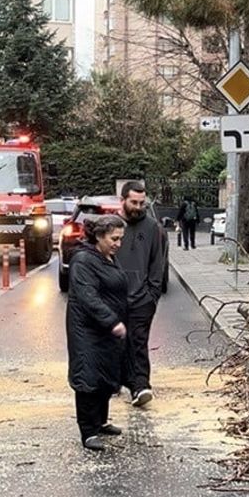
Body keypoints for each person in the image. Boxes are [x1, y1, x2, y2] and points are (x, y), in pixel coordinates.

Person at [66, 215, 129, 452]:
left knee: (105, 374)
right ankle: (88, 432)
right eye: (114, 239)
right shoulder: (83, 261)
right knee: (88, 377)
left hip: (105, 330)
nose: (118, 244)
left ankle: (101, 422)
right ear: (99, 236)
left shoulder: (107, 257)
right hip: (87, 329)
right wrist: (112, 321)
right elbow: (87, 297)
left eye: (120, 239)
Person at [114, 181, 167, 407]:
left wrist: (152, 295)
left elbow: (158, 263)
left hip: (141, 299)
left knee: (138, 341)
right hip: (114, 298)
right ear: (122, 200)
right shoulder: (111, 227)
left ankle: (141, 385)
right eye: (133, 202)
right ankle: (116, 380)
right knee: (115, 342)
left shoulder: (153, 228)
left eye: (141, 203)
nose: (138, 207)